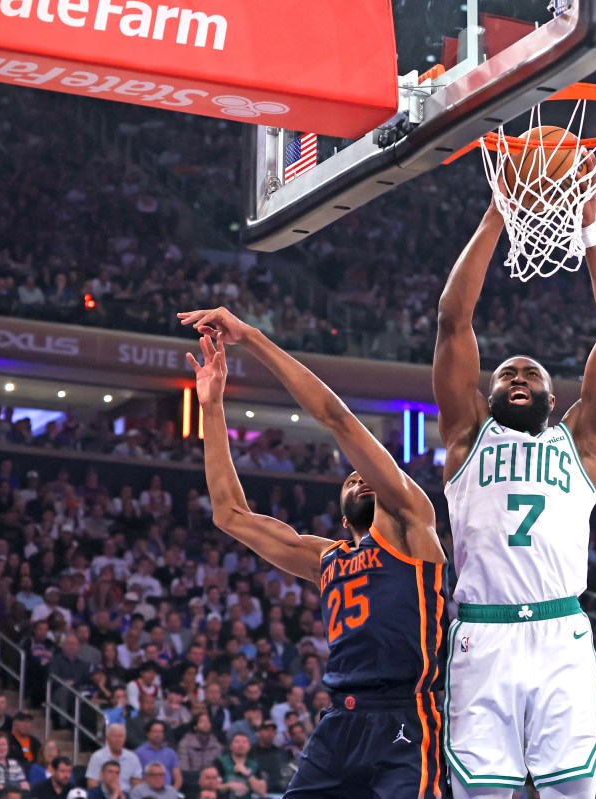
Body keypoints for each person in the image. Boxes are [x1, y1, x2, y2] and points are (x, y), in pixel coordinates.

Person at [179, 307, 448, 798]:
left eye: (367, 473)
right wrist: (211, 406)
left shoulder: (412, 527)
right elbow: (230, 515)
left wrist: (253, 338)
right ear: (345, 520)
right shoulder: (327, 559)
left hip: (407, 716)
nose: (361, 475)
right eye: (351, 478)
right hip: (339, 721)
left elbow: (337, 420)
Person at [433, 161, 596, 796]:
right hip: (483, 630)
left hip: (558, 632)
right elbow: (452, 322)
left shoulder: (582, 441)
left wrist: (591, 235)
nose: (517, 378)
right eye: (507, 374)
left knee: (572, 790)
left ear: (552, 395)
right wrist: (498, 212)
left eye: (532, 375)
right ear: (490, 392)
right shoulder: (466, 436)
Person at [86, 724, 143, 793]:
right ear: (107, 738)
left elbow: (137, 784)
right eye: (115, 736)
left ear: (125, 738)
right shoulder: (97, 757)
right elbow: (92, 784)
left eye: (121, 736)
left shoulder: (132, 758)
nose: (118, 740)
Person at [134, 722, 181, 790]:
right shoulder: (139, 753)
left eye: (160, 732)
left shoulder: (171, 753)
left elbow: (178, 778)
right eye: (155, 731)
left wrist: (172, 792)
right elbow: (136, 778)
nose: (158, 734)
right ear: (148, 734)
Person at [7, 711, 41, 775]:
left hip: (34, 771)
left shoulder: (35, 742)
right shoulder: (8, 740)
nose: (26, 724)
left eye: (28, 721)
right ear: (14, 723)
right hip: (15, 771)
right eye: (22, 721)